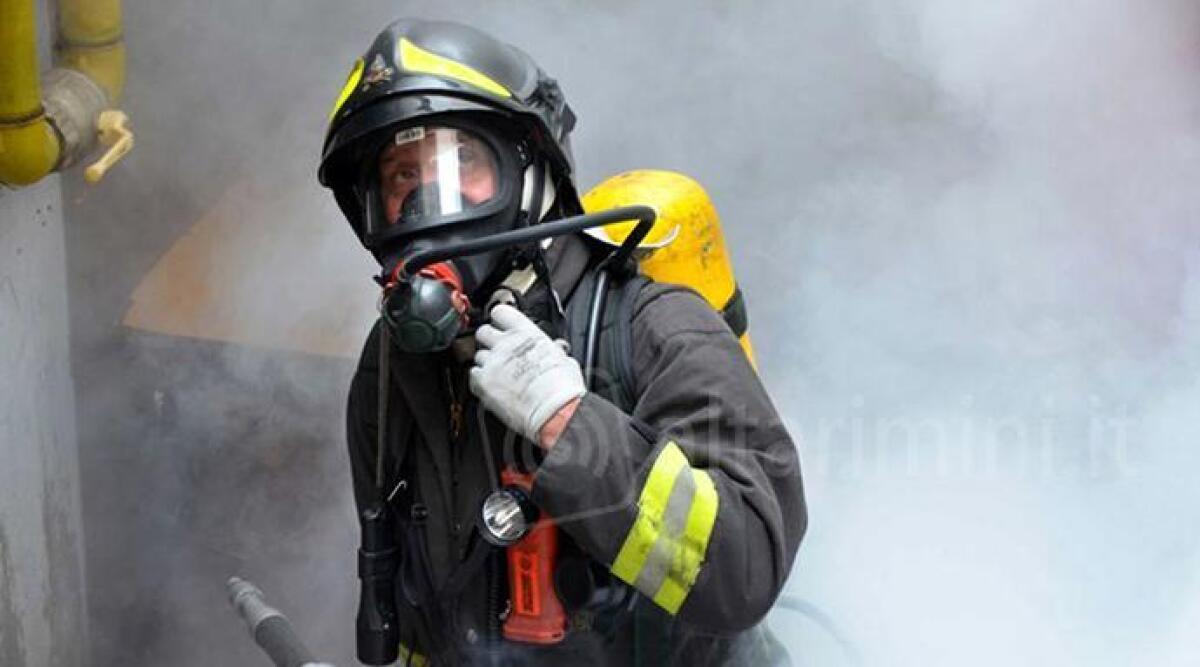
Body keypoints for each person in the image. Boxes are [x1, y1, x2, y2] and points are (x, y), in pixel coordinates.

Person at [318, 18, 807, 666]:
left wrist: (570, 424)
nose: (426, 201)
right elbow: (427, 622)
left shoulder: (651, 327)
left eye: (461, 162)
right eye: (402, 177)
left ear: (531, 173)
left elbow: (745, 574)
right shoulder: (392, 368)